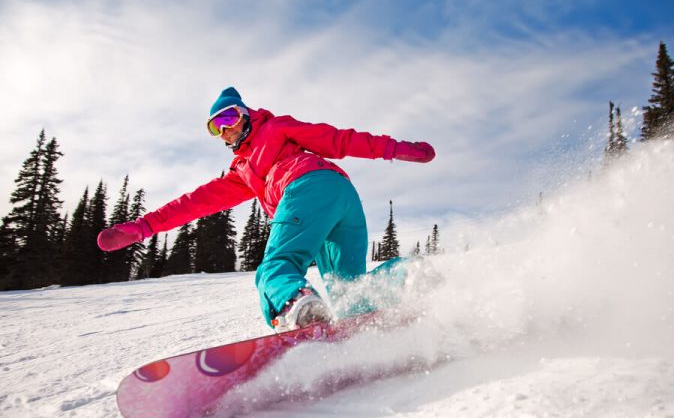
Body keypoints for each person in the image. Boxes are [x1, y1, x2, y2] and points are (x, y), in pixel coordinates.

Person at [98, 87, 435, 333]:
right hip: (342, 198)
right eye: (216, 127)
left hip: (308, 186)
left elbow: (338, 140)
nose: (226, 128)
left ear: (246, 114)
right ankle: (408, 277)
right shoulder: (241, 173)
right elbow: (192, 203)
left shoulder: (275, 128)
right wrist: (145, 227)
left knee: (275, 268)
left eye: (229, 117)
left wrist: (394, 148)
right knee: (349, 293)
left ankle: (296, 306)